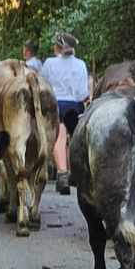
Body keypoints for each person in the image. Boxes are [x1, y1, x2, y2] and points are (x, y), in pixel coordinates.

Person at [41, 33, 91, 194]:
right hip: (75, 105)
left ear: (57, 47)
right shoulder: (80, 64)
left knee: (59, 138)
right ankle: (73, 173)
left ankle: (62, 174)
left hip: (56, 104)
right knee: (73, 139)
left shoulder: (49, 63)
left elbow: (43, 85)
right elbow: (83, 93)